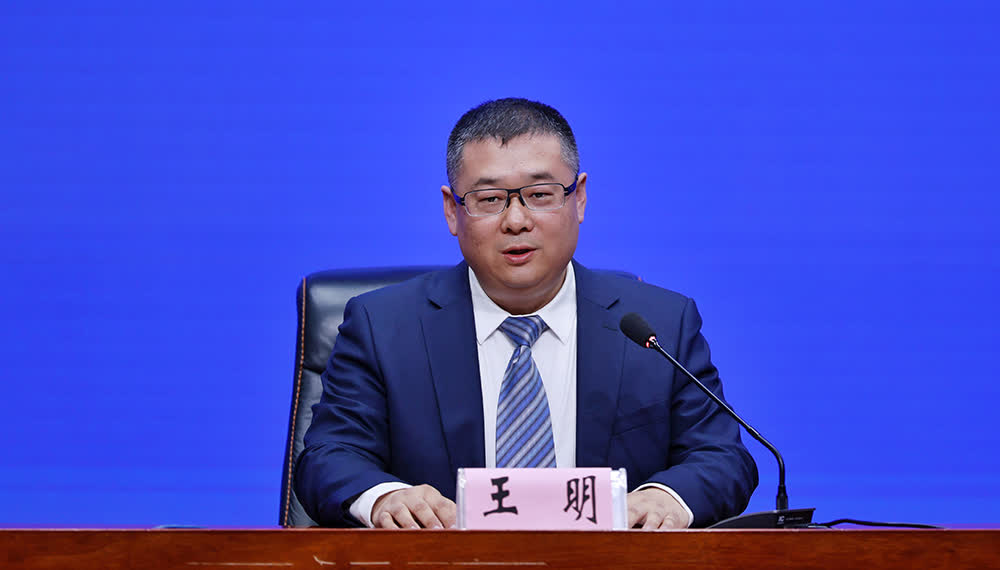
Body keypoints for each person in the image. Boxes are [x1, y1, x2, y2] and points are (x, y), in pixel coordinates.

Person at [295, 98, 757, 529]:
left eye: (539, 194)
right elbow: (327, 456)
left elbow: (722, 457)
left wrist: (665, 497)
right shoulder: (383, 327)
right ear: (452, 211)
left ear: (578, 198)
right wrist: (386, 498)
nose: (516, 221)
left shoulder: (659, 324)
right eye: (489, 199)